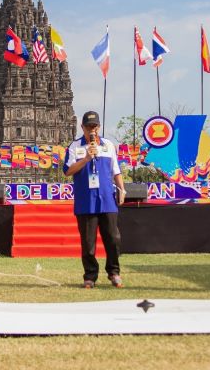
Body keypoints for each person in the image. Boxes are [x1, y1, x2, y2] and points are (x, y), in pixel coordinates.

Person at [63, 111, 126, 288]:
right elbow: (68, 171)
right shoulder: (75, 147)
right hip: (86, 200)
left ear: (99, 127)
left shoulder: (108, 145)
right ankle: (90, 276)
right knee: (88, 243)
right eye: (88, 126)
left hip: (107, 199)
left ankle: (114, 272)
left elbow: (116, 171)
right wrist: (87, 158)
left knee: (113, 239)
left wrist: (122, 188)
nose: (92, 129)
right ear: (82, 127)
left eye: (95, 126)